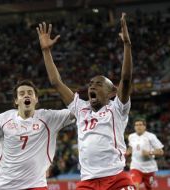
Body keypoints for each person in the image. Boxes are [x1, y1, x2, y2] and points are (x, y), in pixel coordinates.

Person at [36, 13, 135, 190]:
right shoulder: (80, 109)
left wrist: (127, 45)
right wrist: (46, 51)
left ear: (112, 92)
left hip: (116, 178)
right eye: (90, 84)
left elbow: (126, 78)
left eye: (98, 84)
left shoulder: (117, 108)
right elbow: (56, 82)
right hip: (88, 181)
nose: (92, 86)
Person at [126, 118, 164, 190]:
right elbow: (130, 148)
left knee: (149, 188)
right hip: (136, 167)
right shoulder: (131, 136)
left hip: (149, 169)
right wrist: (127, 152)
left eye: (140, 125)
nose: (138, 127)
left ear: (144, 126)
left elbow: (161, 151)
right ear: (134, 127)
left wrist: (150, 152)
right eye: (136, 125)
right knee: (135, 186)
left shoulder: (151, 136)